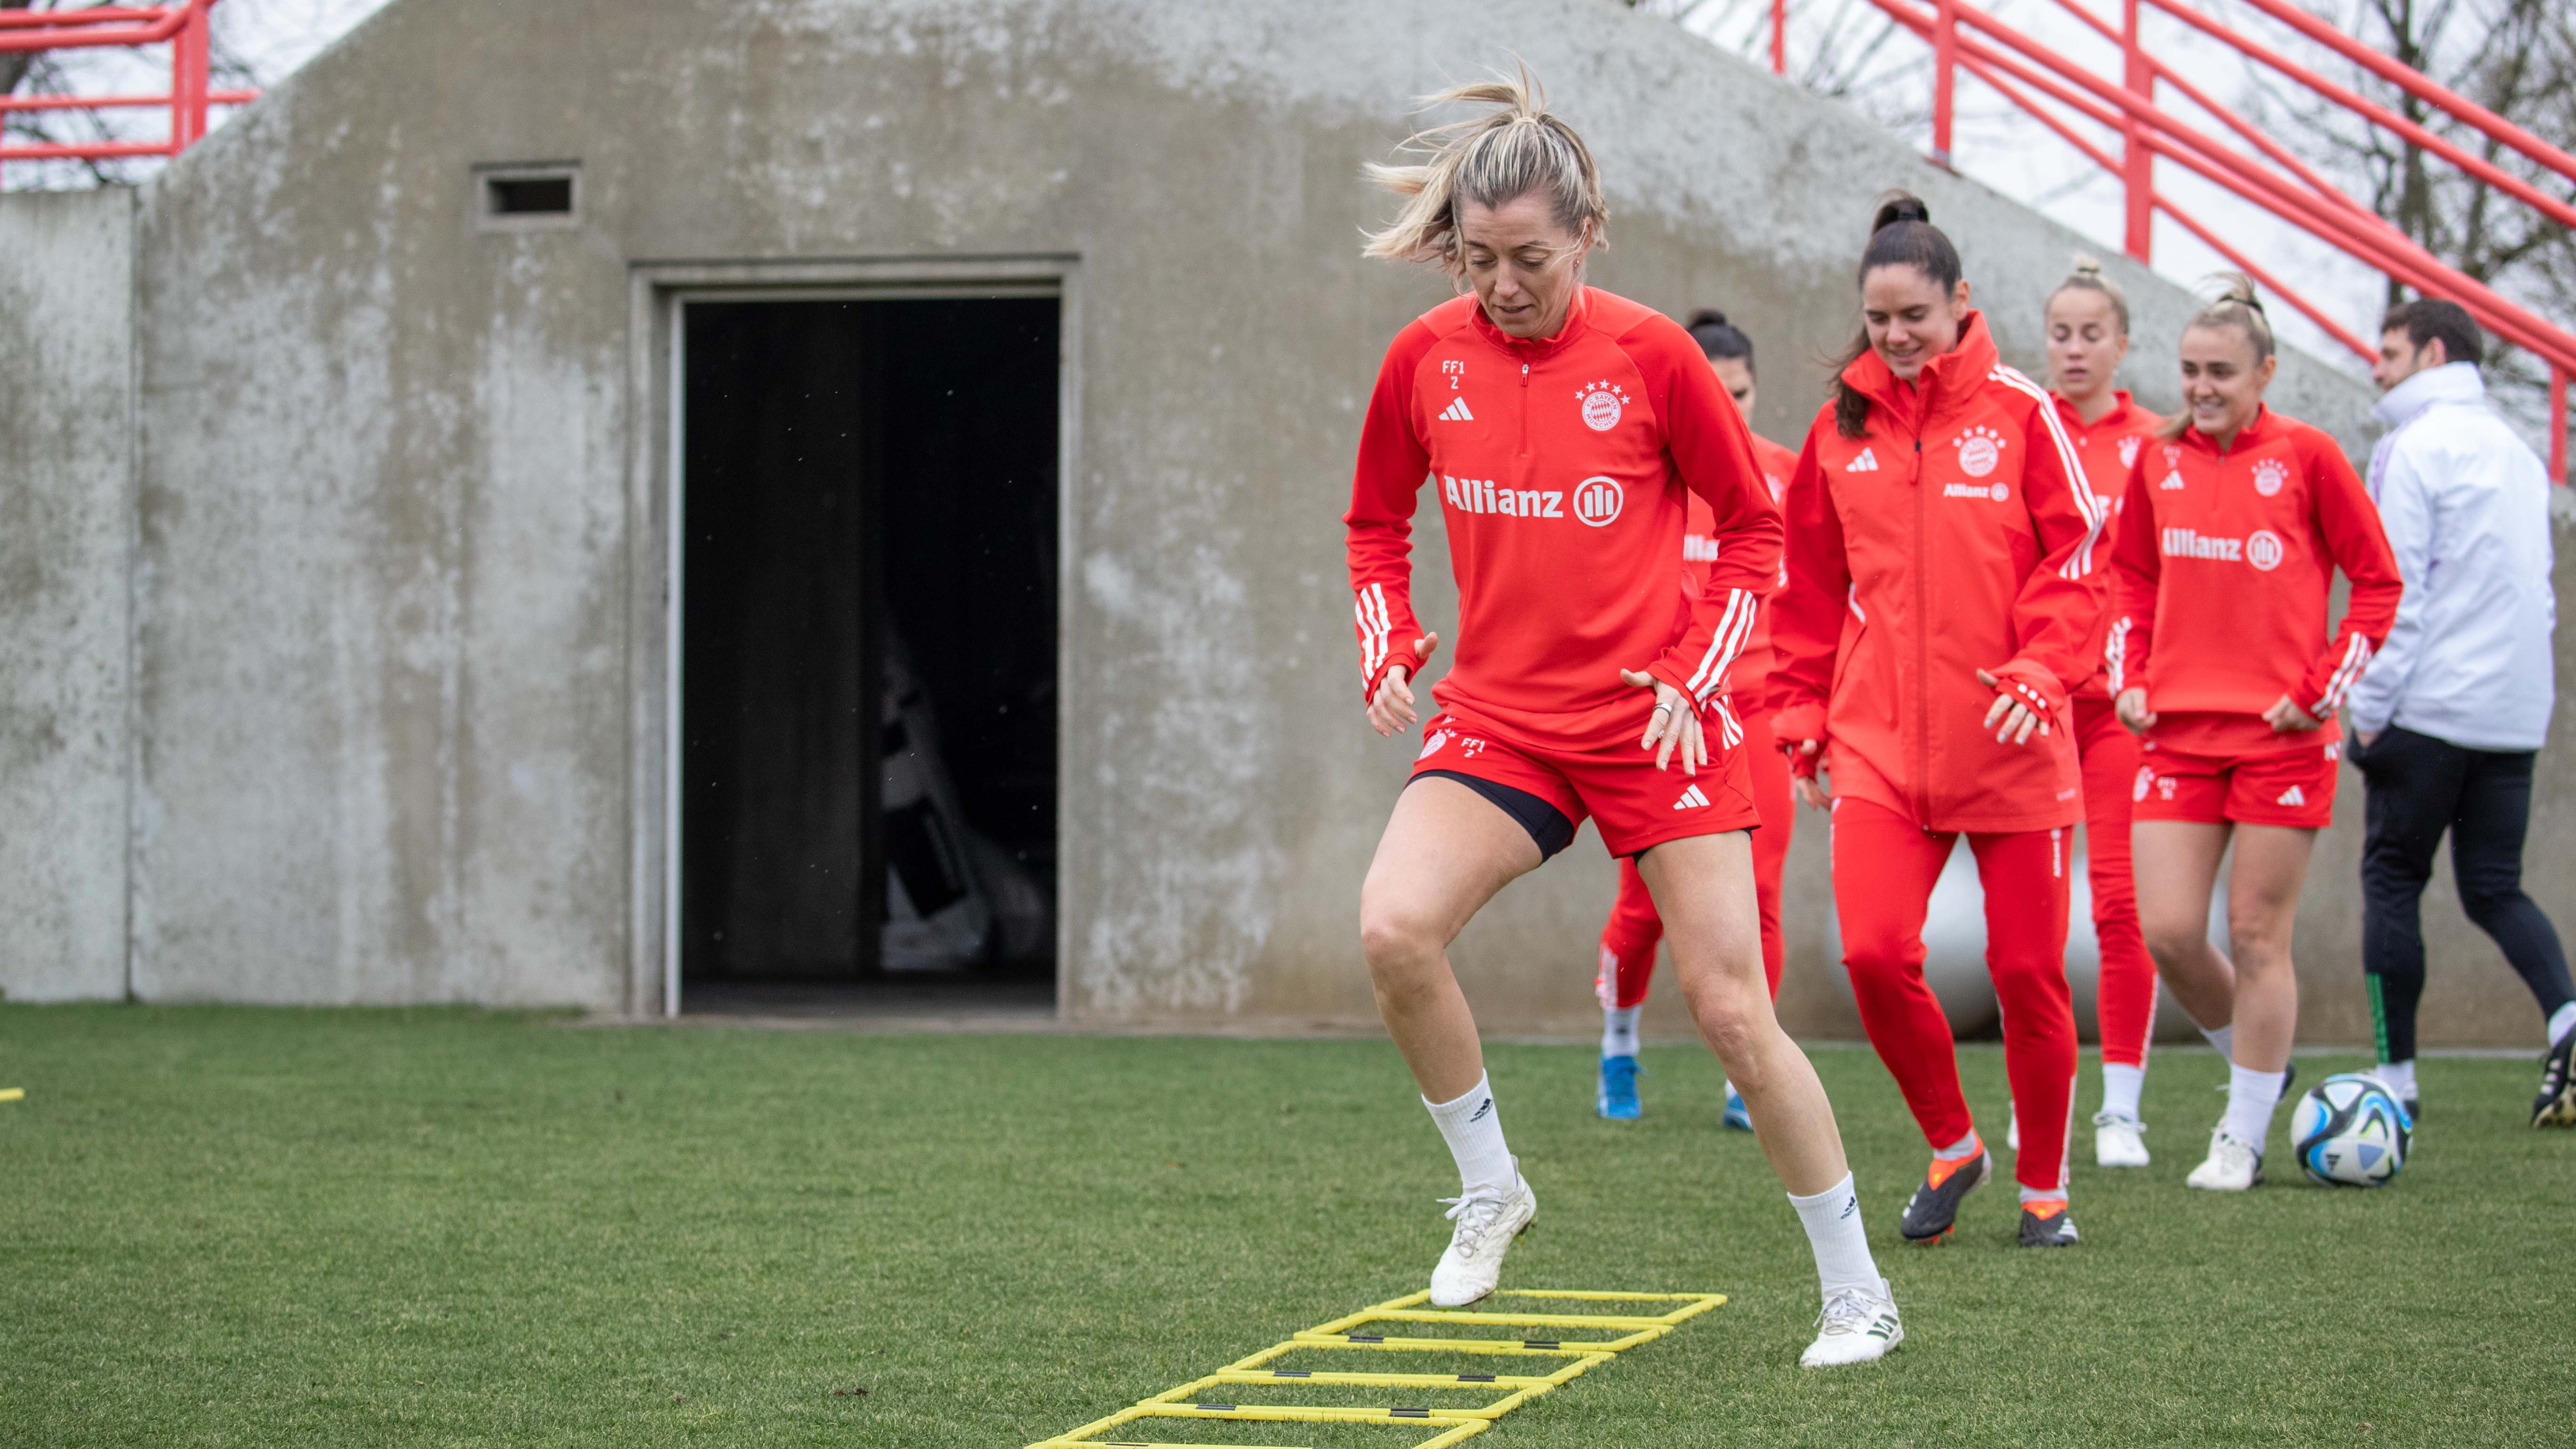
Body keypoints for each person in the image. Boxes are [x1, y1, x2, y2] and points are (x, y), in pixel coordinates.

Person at [1345, 72, 1901, 1366]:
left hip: (1664, 721)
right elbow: (1376, 521)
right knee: (1392, 926)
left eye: (1529, 258)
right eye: (1478, 259)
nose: (1502, 284)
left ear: (1588, 233)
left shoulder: (1652, 357)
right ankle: (1491, 1185)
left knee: (1727, 1010)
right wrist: (1389, 639)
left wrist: (1702, 671)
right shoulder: (1423, 360)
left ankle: (1857, 1287)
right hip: (1505, 721)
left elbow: (1757, 528)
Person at [1770, 194, 2106, 1251]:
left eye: (1915, 314)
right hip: (1880, 750)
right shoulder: (1838, 432)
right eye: (1879, 320)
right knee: (1872, 952)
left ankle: (2045, 1188)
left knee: (2026, 976)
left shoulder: (2023, 416)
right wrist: (1803, 716)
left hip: (2012, 747)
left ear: (1961, 303)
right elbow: (1811, 591)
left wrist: (2043, 669)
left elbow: (2081, 565)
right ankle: (1954, 1141)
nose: (1897, 336)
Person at [2108, 274, 2403, 1191]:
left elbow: (2378, 585)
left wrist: (2321, 693)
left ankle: (2240, 1131)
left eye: (2222, 372)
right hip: (2179, 735)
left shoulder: (2310, 457)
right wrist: (2133, 678)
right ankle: (2263, 1075)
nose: (2201, 386)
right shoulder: (2156, 463)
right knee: (2166, 931)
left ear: (2265, 372)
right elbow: (2131, 582)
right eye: (2191, 369)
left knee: (2257, 932)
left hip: (2284, 738)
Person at [2347, 298, 2573, 1127]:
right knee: (2494, 887)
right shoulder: (2519, 447)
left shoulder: (2412, 445)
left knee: (2392, 882)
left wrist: (2369, 709)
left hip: (2430, 706)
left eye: (2391, 350)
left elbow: (2394, 590)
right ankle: (2569, 1019)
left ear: (2433, 354)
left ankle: (2394, 1083)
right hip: (2514, 709)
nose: (2378, 366)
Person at [1592, 309, 1799, 1130]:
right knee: (1643, 907)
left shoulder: (1786, 477)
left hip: (1761, 713)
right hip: (1665, 716)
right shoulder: (1643, 474)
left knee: (1764, 890)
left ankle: (1746, 1074)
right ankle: (1618, 1043)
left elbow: (1822, 598)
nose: (1729, 408)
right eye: (1713, 393)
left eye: (1740, 393)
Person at [2039, 256, 2168, 1167]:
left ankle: (2120, 1107)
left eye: (2092, 334)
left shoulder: (2155, 444)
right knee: (2034, 919)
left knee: (2122, 904)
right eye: (2061, 332)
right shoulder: (2022, 426)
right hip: (2037, 707)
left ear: (2123, 346)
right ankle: (2040, 1098)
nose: (2075, 349)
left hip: (2121, 712)